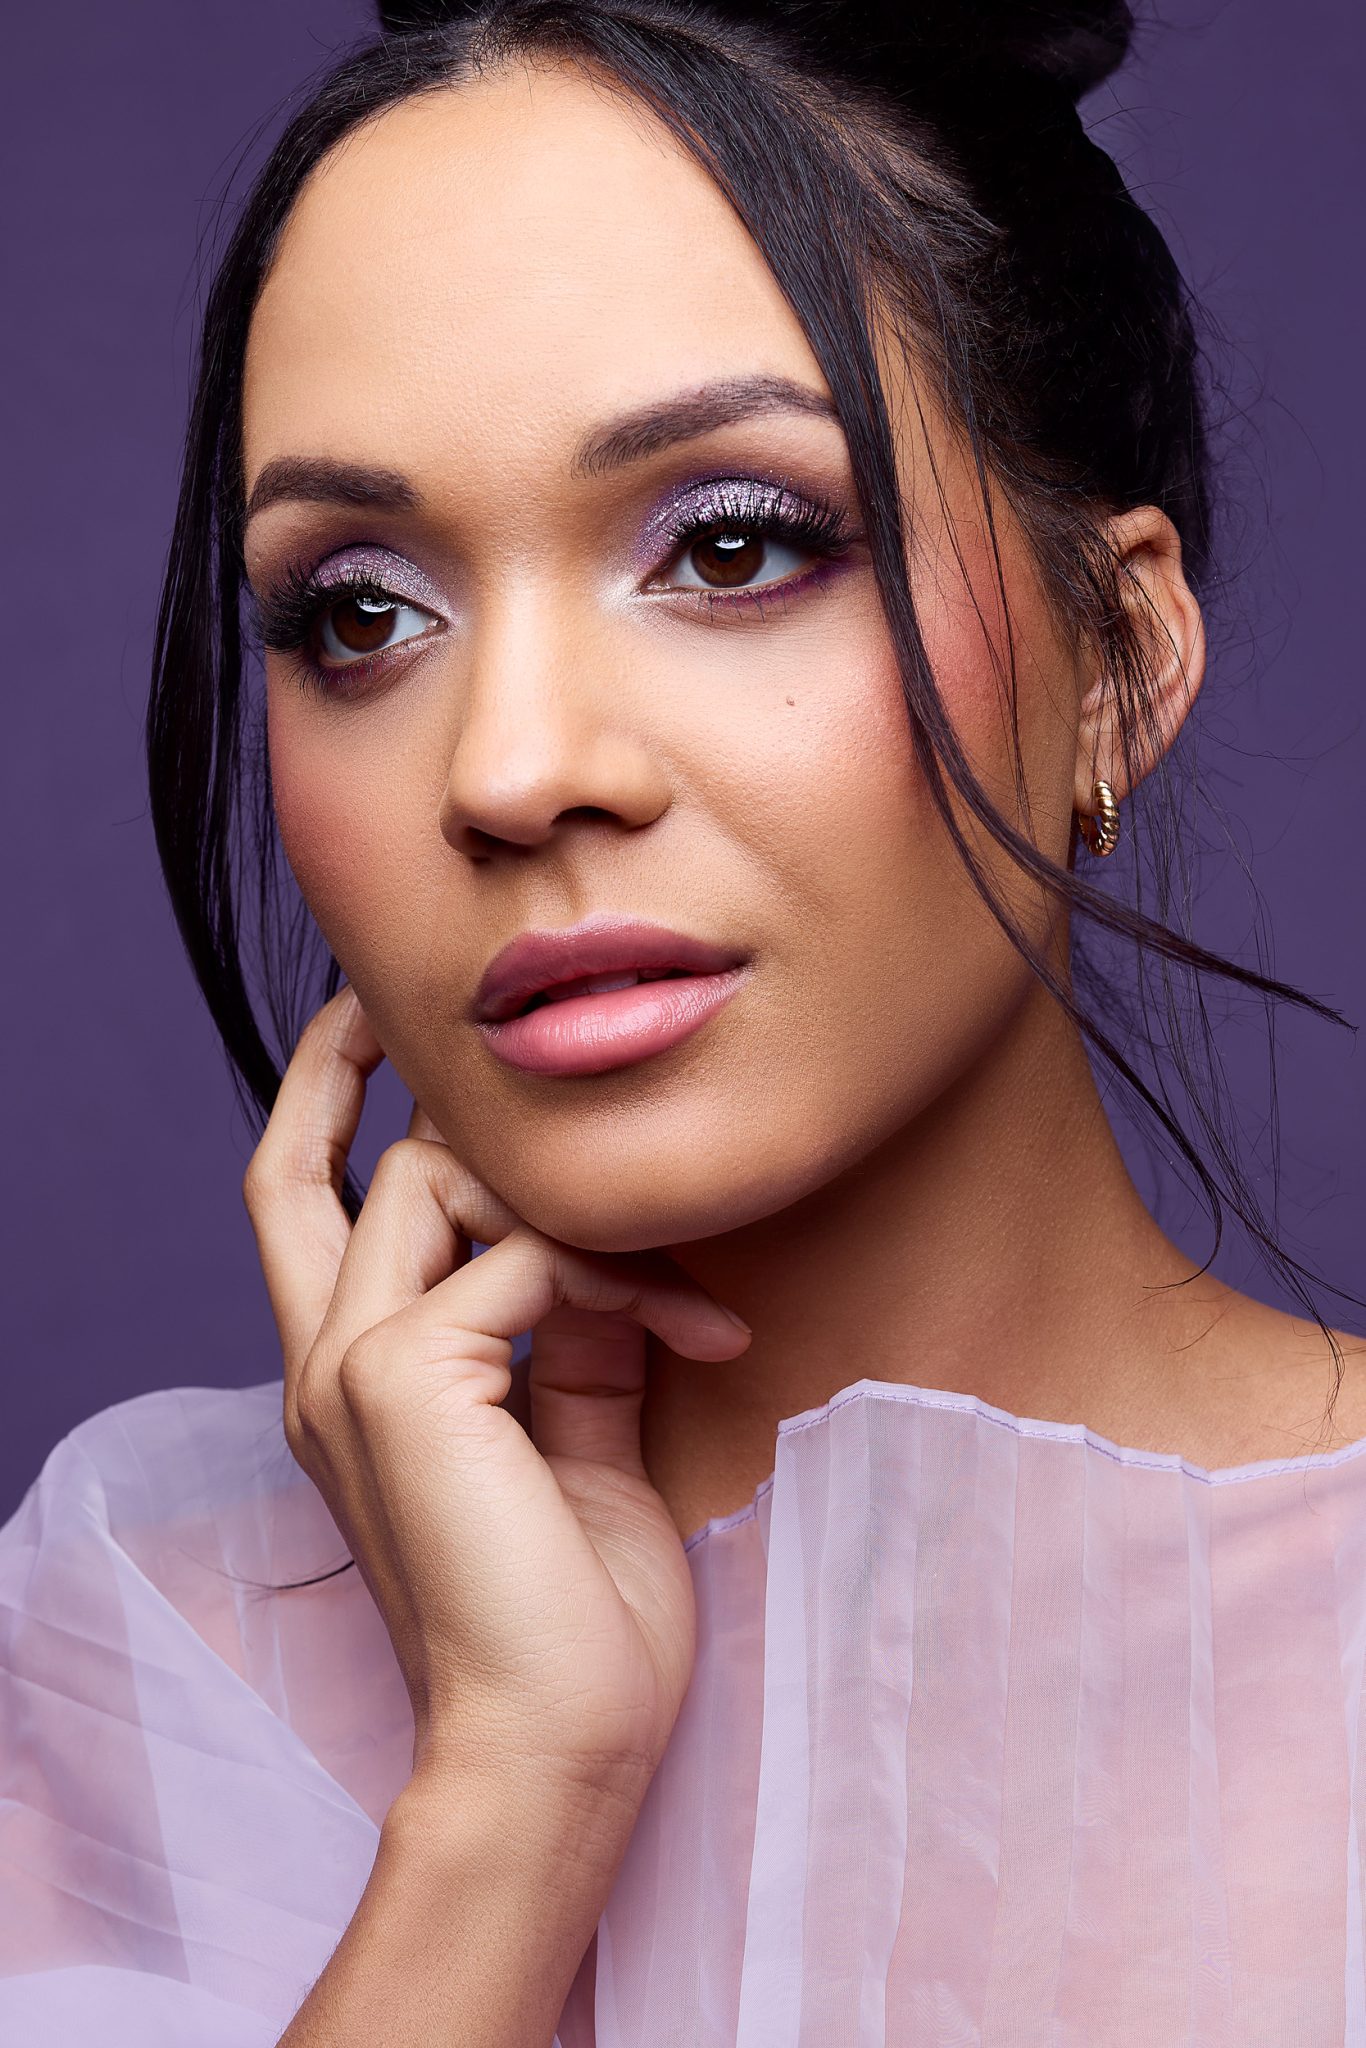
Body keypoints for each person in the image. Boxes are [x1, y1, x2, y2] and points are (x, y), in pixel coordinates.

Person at [2, 0, 1362, 2039]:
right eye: (358, 608)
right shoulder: (146, 1643)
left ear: (1115, 658)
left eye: (730, 544)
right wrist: (511, 1791)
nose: (514, 766)